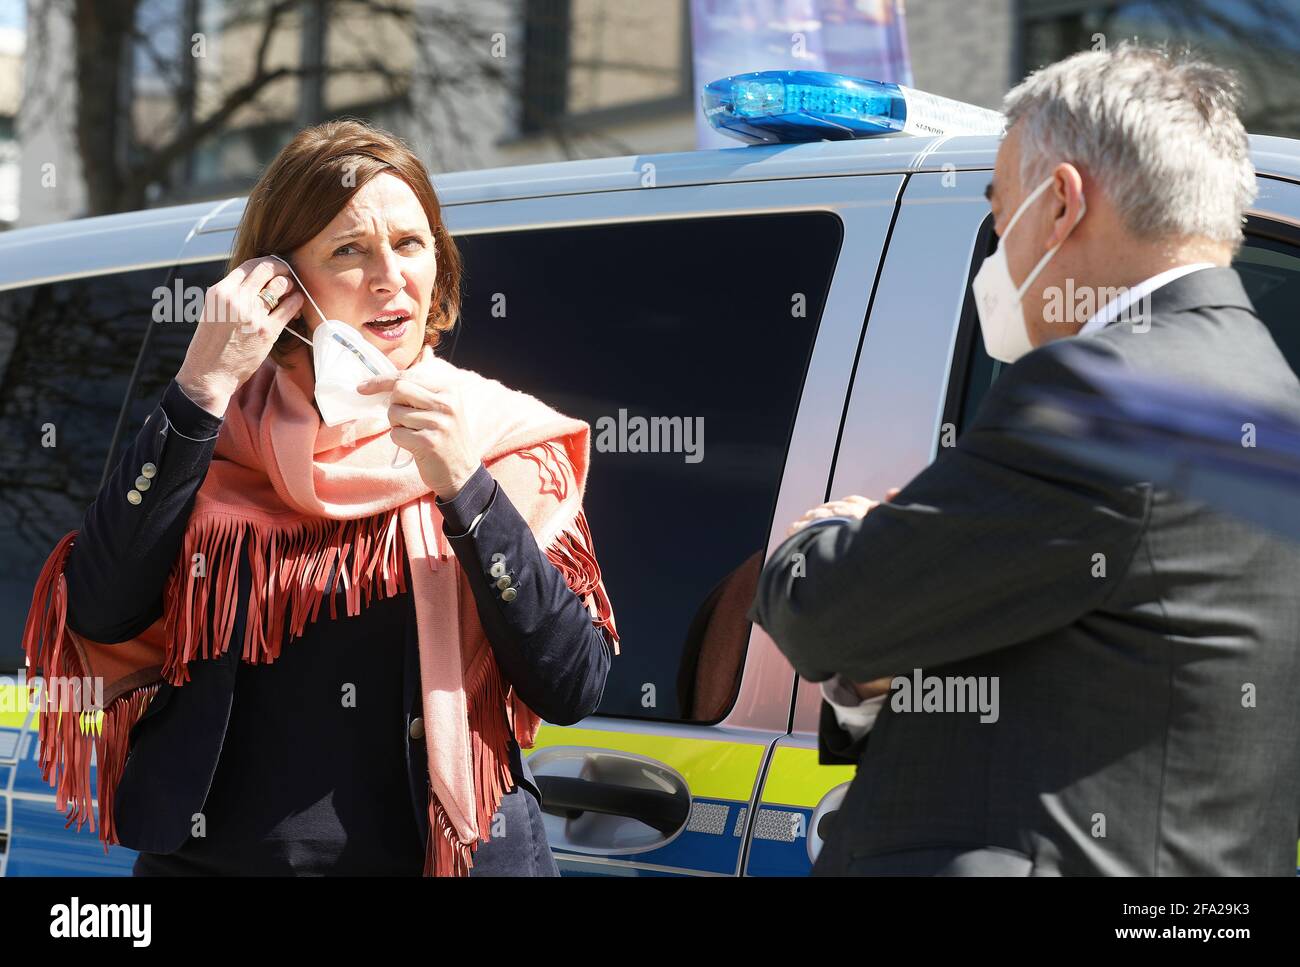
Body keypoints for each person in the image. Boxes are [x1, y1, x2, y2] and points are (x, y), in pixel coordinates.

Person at [749, 45, 1300, 876]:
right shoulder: (1275, 400)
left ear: (1062, 204)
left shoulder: (1101, 392)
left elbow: (824, 609)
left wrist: (837, 530)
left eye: (1000, 214)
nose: (998, 249)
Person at [21, 119, 619, 877]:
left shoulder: (499, 439)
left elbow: (571, 682)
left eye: (410, 244)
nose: (389, 276)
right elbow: (99, 609)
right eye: (349, 250)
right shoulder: (211, 434)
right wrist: (201, 386)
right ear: (280, 287)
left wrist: (468, 490)